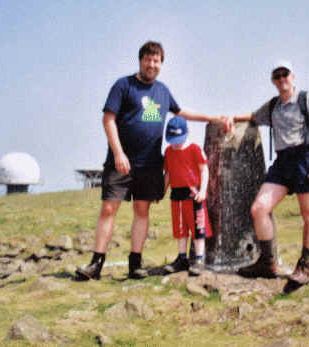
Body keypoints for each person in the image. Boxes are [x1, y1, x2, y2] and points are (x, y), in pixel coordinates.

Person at [76, 41, 228, 280]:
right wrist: (118, 153)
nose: (152, 64)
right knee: (108, 208)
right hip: (121, 162)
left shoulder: (162, 91)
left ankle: (135, 263)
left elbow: (181, 112)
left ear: (161, 64)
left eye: (156, 60)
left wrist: (212, 117)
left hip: (150, 164)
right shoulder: (123, 85)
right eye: (148, 59)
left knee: (142, 210)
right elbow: (108, 119)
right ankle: (96, 264)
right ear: (140, 60)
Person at [225, 60, 309, 288]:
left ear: (293, 76)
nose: (282, 79)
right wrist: (231, 117)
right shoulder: (273, 106)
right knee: (259, 208)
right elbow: (252, 116)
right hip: (282, 162)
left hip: (304, 158)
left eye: (285, 74)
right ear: (273, 80)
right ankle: (267, 262)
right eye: (277, 76)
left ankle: (304, 265)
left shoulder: (305, 99)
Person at [162, 116, 212, 276]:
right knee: (180, 229)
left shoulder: (195, 149)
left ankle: (199, 259)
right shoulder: (168, 151)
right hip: (176, 195)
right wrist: (162, 191)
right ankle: (182, 258)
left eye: (179, 139)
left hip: (194, 194)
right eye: (173, 140)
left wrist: (203, 190)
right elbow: (168, 173)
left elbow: (204, 170)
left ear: (187, 133)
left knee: (198, 229)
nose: (176, 143)